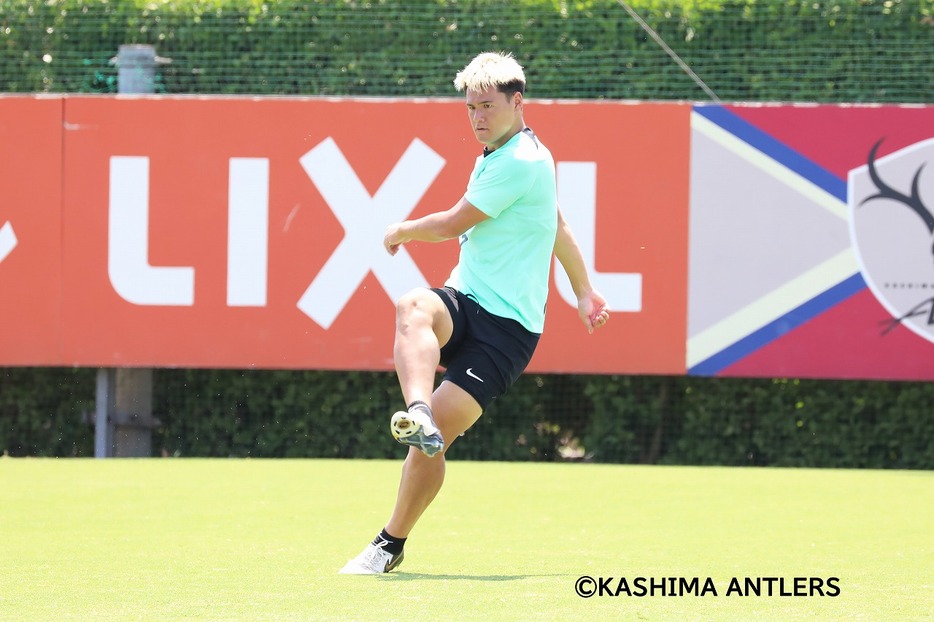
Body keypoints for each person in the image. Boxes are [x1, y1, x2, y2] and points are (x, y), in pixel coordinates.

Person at [339, 51, 609, 574]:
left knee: (442, 436)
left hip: (507, 334)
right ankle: (416, 413)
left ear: (517, 101)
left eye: (487, 105)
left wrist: (401, 230)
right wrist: (585, 291)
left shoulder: (524, 162)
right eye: (470, 108)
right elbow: (558, 225)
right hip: (468, 299)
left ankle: (389, 543)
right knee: (413, 305)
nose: (478, 117)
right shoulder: (507, 152)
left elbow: (453, 222)